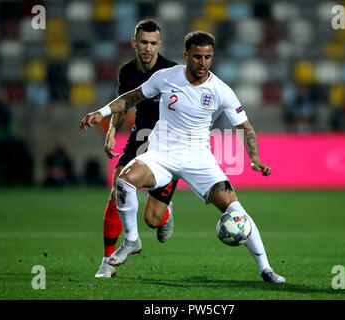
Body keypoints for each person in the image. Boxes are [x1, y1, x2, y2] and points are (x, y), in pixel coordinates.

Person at [80, 31, 285, 283]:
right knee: (124, 181)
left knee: (235, 211)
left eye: (208, 57)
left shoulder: (221, 90)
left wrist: (254, 158)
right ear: (187, 55)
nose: (203, 62)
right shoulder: (167, 77)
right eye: (198, 57)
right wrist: (101, 112)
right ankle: (132, 240)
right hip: (160, 155)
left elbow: (246, 127)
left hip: (198, 159)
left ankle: (266, 269)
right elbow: (132, 97)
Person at [94, 20, 178, 278]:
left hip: (166, 143)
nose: (148, 48)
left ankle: (164, 212)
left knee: (152, 221)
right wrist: (111, 132)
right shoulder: (127, 71)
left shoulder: (172, 72)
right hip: (140, 136)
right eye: (143, 42)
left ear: (159, 45)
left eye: (153, 43)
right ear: (134, 43)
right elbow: (123, 104)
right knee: (116, 191)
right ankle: (107, 261)